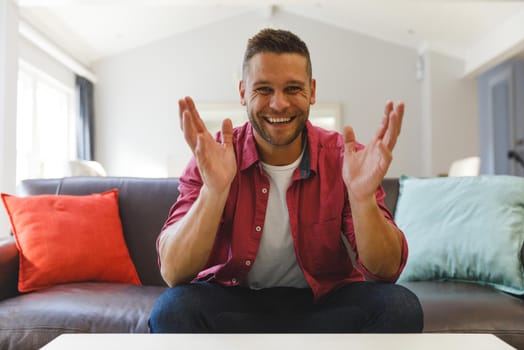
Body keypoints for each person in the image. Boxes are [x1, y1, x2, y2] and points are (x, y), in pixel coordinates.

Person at [149, 28, 423, 333]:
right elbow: (173, 273)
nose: (278, 104)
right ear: (243, 92)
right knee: (173, 310)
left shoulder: (343, 158)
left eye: (293, 88)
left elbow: (385, 271)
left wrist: (362, 200)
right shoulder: (211, 156)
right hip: (235, 301)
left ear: (313, 91)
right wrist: (214, 191)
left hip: (323, 304)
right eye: (264, 89)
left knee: (400, 306)